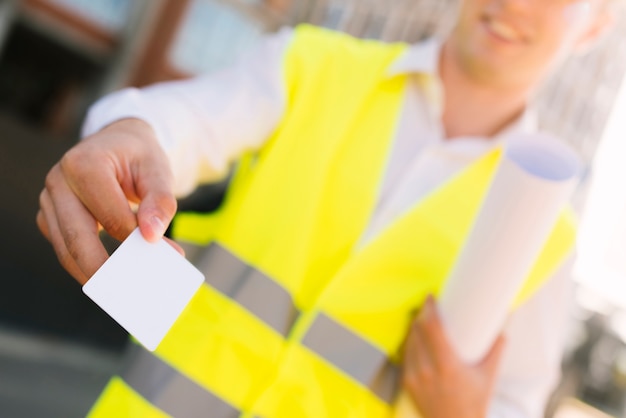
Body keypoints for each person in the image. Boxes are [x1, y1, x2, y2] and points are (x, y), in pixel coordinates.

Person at [37, 0, 615, 417]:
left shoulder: (545, 238)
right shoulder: (312, 67)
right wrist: (130, 133)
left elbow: (516, 402)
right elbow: (179, 125)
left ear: (596, 23)